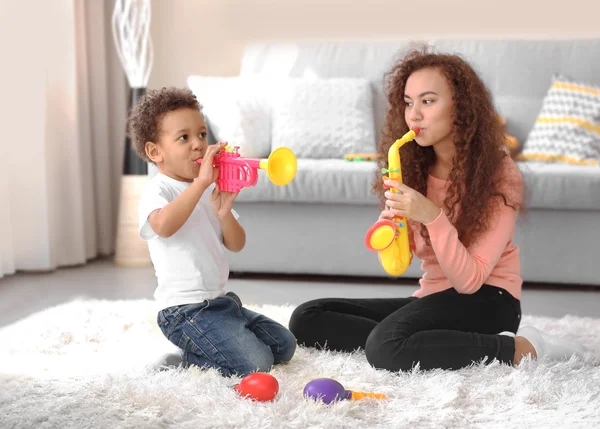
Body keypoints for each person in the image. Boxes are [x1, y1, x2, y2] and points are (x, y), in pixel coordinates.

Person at [288, 49, 588, 371]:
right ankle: (420, 342)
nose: (414, 115)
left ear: (461, 107)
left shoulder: (500, 173)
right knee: (307, 318)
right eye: (408, 102)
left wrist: (431, 215)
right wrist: (393, 230)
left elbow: (469, 281)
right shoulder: (413, 168)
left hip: (490, 299)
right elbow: (404, 263)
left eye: (428, 101)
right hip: (433, 297)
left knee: (384, 346)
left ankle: (522, 348)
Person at [130, 87, 296, 377]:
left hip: (222, 303)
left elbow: (236, 244)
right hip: (183, 312)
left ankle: (209, 344)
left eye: (202, 135)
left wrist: (223, 213)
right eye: (184, 137)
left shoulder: (208, 189)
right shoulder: (159, 188)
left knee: (285, 346)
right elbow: (163, 226)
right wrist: (199, 185)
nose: (198, 145)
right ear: (155, 152)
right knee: (256, 364)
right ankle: (185, 358)